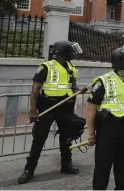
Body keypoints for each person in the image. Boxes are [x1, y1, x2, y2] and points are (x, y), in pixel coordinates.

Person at [18, 41, 84, 184]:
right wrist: (32, 110)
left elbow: (72, 86)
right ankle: (29, 170)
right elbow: (35, 89)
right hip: (48, 105)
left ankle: (66, 165)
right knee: (39, 138)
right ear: (64, 53)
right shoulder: (46, 67)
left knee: (66, 137)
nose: (72, 55)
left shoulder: (71, 68)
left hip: (66, 106)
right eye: (70, 52)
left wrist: (80, 90)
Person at [87, 42, 124, 190]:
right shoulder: (103, 81)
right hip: (108, 129)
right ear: (121, 63)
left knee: (123, 165)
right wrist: (91, 134)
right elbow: (91, 109)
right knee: (102, 167)